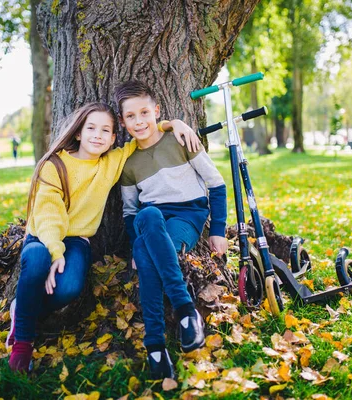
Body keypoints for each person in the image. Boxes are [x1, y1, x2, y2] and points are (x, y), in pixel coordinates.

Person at [7, 102, 200, 373]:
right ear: (78, 133)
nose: (97, 135)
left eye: (105, 130)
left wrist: (173, 124)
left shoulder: (111, 163)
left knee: (69, 287)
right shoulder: (55, 164)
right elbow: (49, 214)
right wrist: (55, 251)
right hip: (43, 237)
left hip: (77, 240)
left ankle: (23, 308)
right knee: (37, 259)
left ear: (112, 139)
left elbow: (143, 135)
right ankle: (23, 344)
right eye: (91, 128)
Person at [115, 80, 228, 380]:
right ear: (123, 121)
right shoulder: (128, 163)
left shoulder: (181, 139)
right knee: (148, 214)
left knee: (146, 251)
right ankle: (185, 312)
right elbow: (129, 212)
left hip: (186, 218)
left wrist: (217, 229)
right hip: (150, 221)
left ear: (156, 110)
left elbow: (216, 183)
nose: (139, 121)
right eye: (130, 116)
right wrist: (134, 240)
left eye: (144, 113)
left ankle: (155, 345)